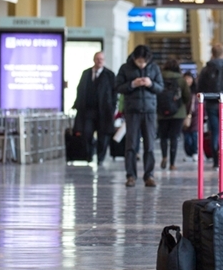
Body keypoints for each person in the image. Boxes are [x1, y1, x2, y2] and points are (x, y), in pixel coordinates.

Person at [115, 45, 163, 187]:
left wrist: (150, 84)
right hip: (132, 111)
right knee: (131, 145)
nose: (142, 64)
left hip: (149, 111)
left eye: (144, 61)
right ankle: (131, 176)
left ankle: (149, 175)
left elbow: (160, 88)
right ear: (134, 58)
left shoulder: (154, 68)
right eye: (139, 61)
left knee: (149, 145)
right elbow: (118, 87)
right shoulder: (125, 68)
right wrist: (132, 84)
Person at [72, 52, 116, 164]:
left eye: (101, 59)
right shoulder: (86, 73)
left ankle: (100, 158)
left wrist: (112, 108)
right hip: (88, 111)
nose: (99, 61)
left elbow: (114, 93)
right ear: (94, 60)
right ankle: (88, 155)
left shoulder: (110, 75)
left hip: (104, 112)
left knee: (103, 136)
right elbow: (80, 90)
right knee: (86, 133)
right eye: (97, 59)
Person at [158, 59, 191, 170]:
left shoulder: (159, 77)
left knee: (163, 137)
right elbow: (187, 97)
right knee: (174, 138)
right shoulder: (181, 80)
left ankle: (164, 156)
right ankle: (172, 164)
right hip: (178, 113)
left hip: (161, 112)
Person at [182, 71, 198, 161]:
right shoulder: (180, 90)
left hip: (195, 115)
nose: (187, 80)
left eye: (189, 78)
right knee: (186, 136)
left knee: (194, 135)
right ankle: (188, 153)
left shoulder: (196, 91)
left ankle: (195, 152)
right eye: (186, 78)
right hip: (184, 115)